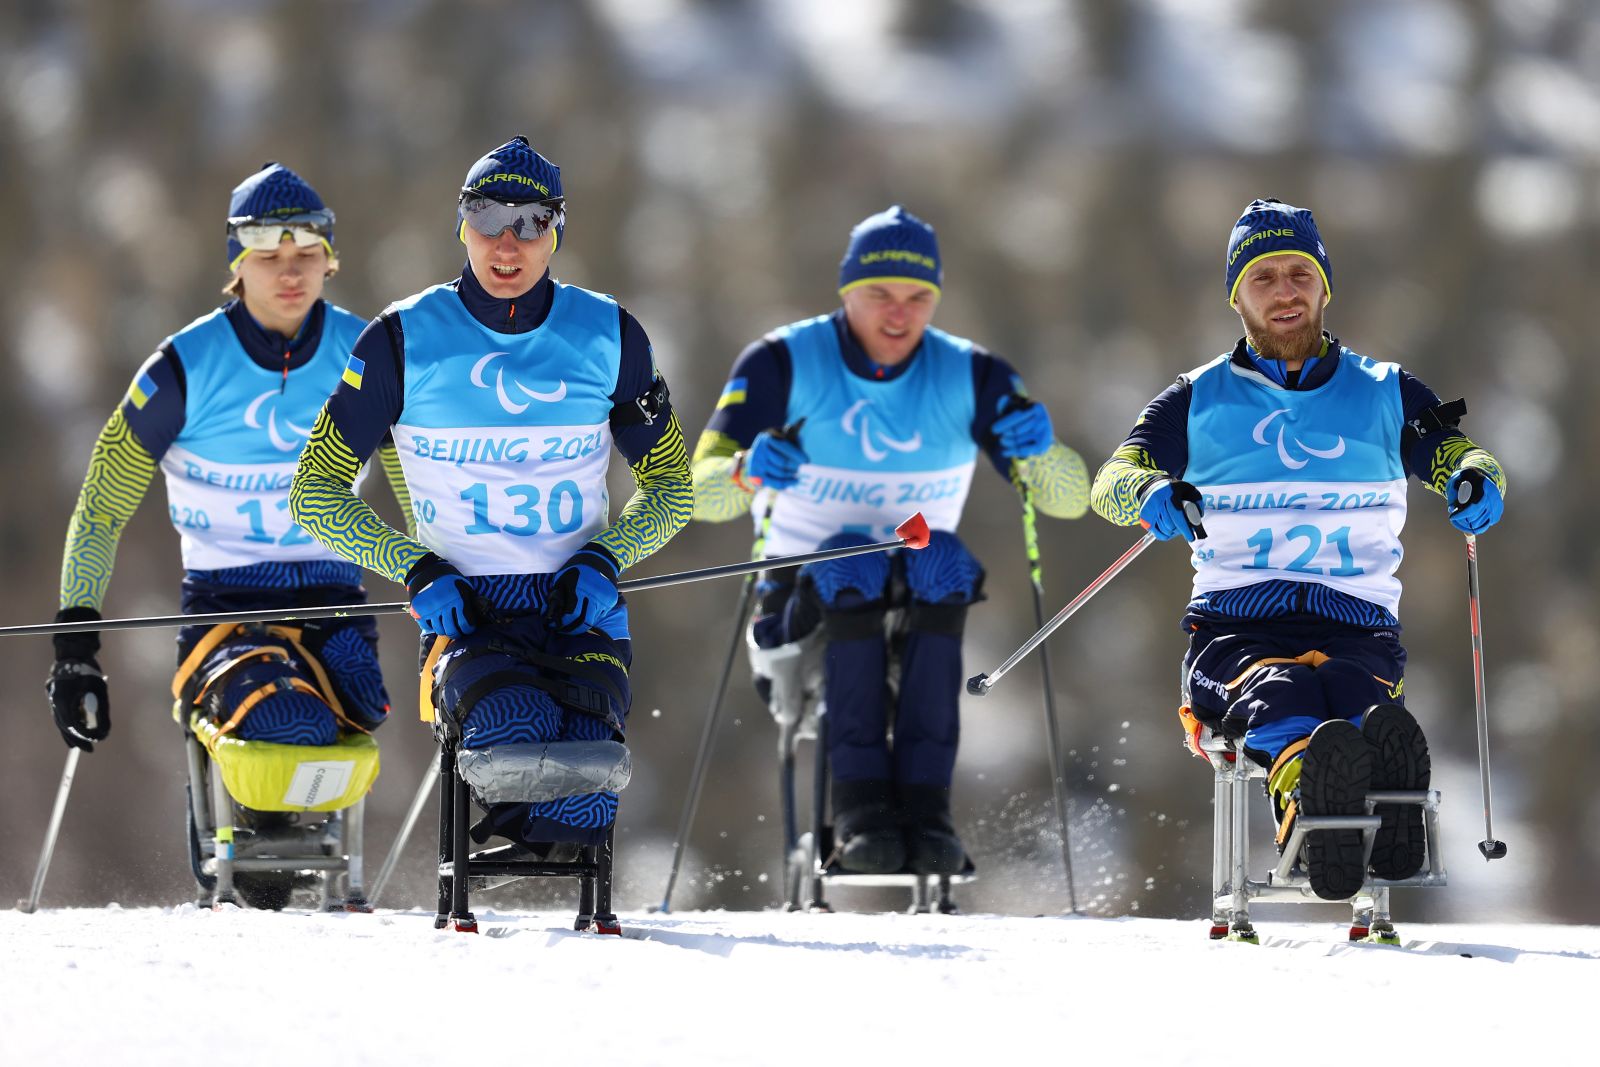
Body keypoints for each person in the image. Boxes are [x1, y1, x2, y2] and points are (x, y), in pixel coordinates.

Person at [1090, 198, 1507, 900]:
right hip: (1235, 626)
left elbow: (1454, 448)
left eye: (1298, 274)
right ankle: (1321, 808)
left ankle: (1368, 800)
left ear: (1323, 284)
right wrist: (1149, 493)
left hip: (1358, 622)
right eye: (1264, 278)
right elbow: (1112, 479)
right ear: (1237, 296)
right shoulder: (1195, 398)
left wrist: (1475, 477)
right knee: (1282, 694)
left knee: (1355, 702)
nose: (1285, 292)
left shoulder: (1388, 390)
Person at [289, 136, 691, 855]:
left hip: (579, 606)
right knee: (516, 738)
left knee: (587, 782)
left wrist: (606, 559)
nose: (508, 243)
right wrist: (416, 570)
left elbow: (671, 488)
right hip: (468, 612)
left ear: (557, 228)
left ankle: (542, 855)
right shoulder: (401, 340)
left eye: (531, 222)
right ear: (460, 224)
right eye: (487, 217)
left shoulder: (610, 334)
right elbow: (315, 492)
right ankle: (512, 843)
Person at [690, 205, 1089, 876]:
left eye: (918, 298)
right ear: (846, 291)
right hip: (800, 602)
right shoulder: (782, 361)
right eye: (880, 295)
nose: (899, 315)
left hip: (919, 594)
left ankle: (926, 811)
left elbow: (1068, 499)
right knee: (856, 555)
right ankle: (861, 809)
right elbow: (697, 495)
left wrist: (1043, 453)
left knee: (939, 558)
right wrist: (744, 470)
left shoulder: (971, 373)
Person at [47, 162, 402, 769]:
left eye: (307, 254)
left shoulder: (368, 351)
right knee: (291, 725)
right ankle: (239, 838)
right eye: (268, 256)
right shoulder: (184, 367)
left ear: (329, 259)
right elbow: (103, 503)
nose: (290, 273)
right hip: (225, 605)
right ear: (238, 263)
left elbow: (418, 490)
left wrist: (449, 588)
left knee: (364, 709)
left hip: (334, 600)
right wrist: (75, 645)